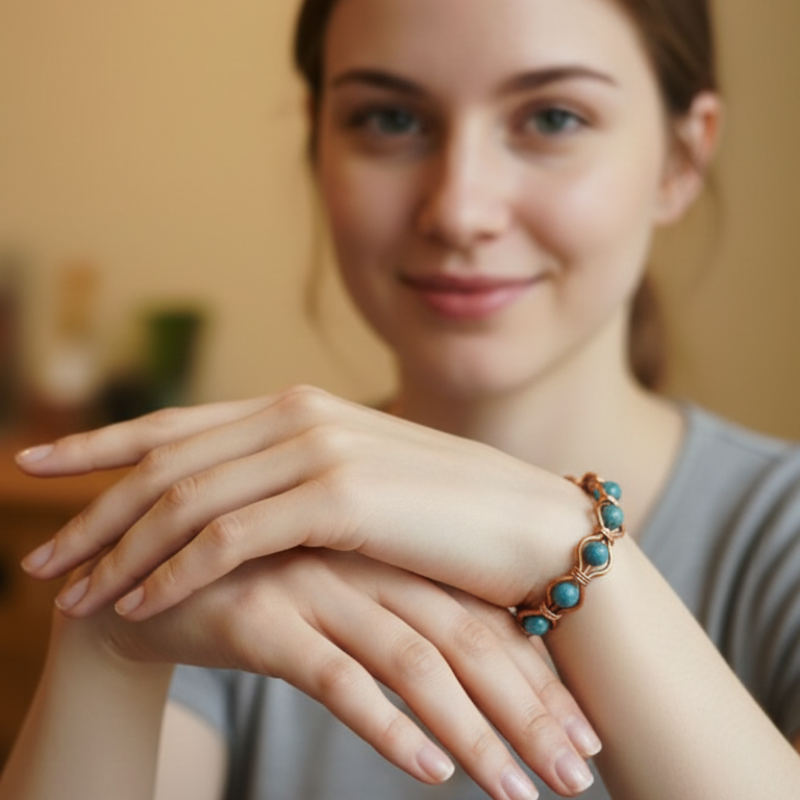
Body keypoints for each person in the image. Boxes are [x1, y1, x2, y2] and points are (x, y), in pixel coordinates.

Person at [2, 0, 800, 798]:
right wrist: (106, 646)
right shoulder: (237, 532)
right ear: (317, 144)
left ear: (681, 160)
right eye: (389, 117)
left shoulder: (779, 538)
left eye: (553, 117)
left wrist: (571, 542)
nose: (457, 209)